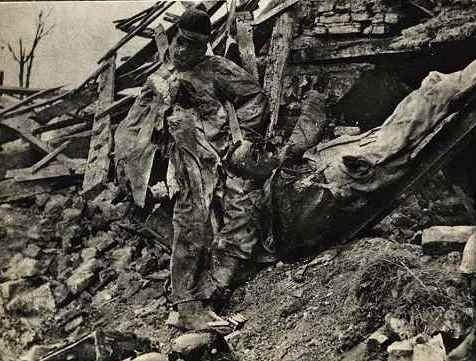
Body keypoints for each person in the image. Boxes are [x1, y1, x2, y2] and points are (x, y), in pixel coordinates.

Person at [114, 7, 269, 330]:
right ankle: (188, 307)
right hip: (177, 168)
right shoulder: (159, 78)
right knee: (189, 228)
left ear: (204, 45)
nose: (183, 50)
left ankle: (205, 296)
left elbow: (254, 98)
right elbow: (133, 128)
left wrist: (244, 141)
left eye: (192, 45)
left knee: (218, 226)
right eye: (180, 42)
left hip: (213, 162)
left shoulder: (216, 70)